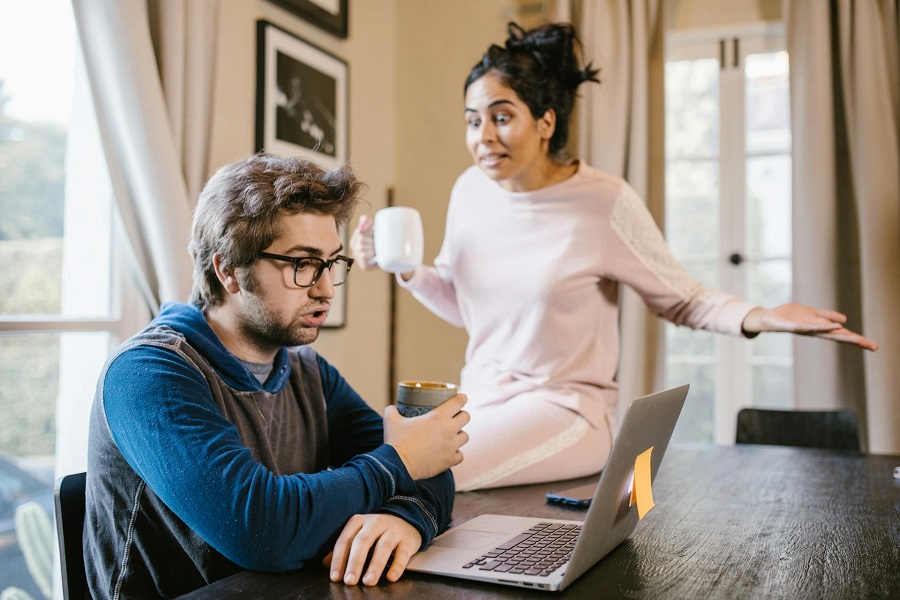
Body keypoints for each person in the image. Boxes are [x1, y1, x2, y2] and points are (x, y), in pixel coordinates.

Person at [350, 22, 878, 492]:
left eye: (501, 116)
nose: (483, 136)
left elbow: (685, 299)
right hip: (482, 399)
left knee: (427, 471)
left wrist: (760, 316)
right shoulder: (470, 191)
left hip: (567, 411)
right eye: (471, 120)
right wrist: (407, 269)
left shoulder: (603, 201)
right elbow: (470, 307)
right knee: (376, 450)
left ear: (546, 121)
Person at [83, 153, 470, 598]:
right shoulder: (147, 374)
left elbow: (431, 463)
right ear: (228, 270)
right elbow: (262, 527)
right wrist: (399, 463)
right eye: (301, 264)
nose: (325, 290)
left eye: (331, 265)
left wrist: (406, 517)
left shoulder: (306, 370)